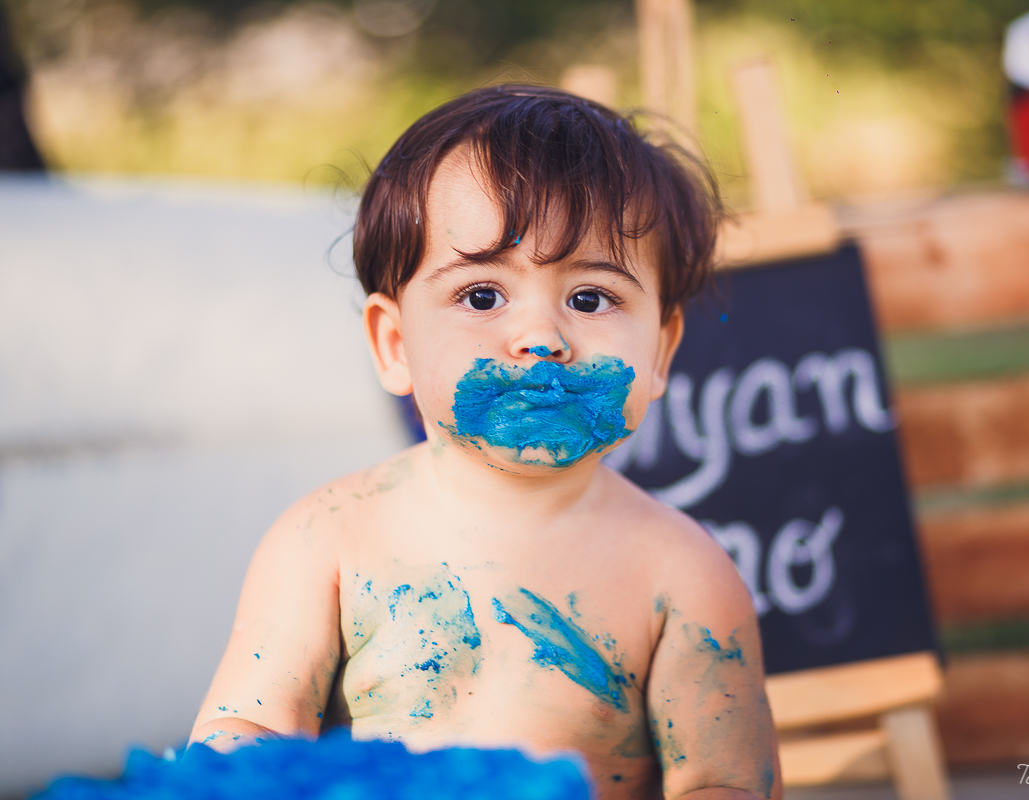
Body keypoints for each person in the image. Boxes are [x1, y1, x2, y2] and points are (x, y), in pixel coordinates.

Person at [189, 85, 781, 800]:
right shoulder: (330, 539)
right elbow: (249, 726)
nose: (540, 339)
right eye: (481, 296)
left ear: (661, 349)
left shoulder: (684, 576)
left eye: (590, 299)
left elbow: (727, 782)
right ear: (394, 342)